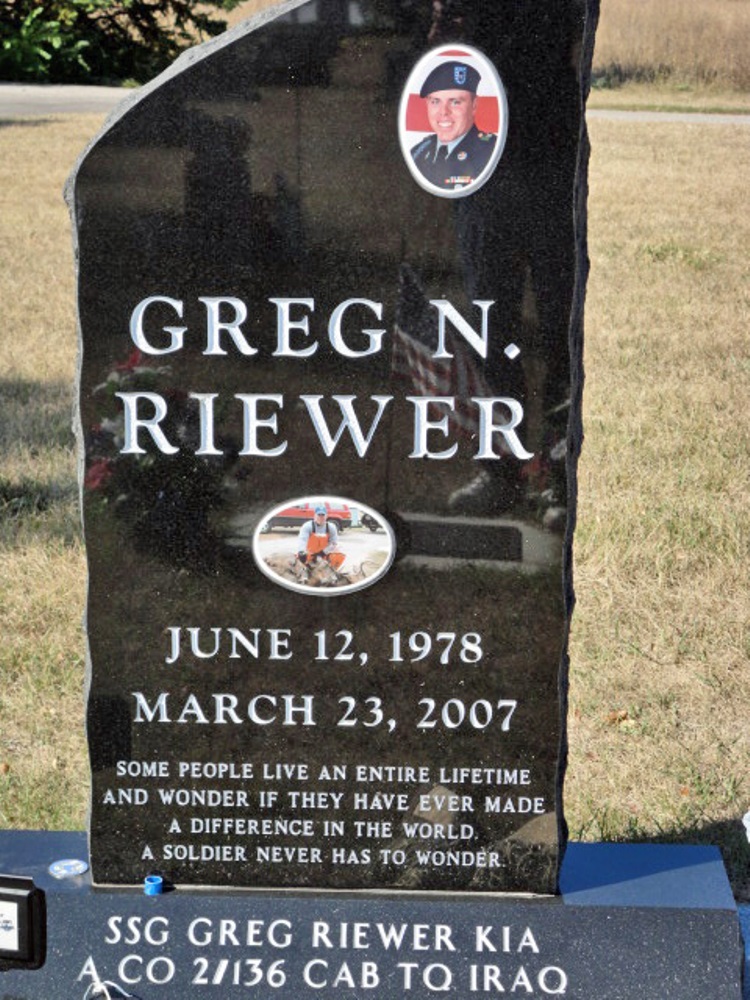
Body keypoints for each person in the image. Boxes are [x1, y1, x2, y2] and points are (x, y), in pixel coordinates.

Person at [410, 60, 497, 192]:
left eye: (455, 102)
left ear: (474, 105)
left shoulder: (491, 151)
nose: (444, 112)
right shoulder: (418, 152)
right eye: (435, 102)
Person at [297, 505, 345, 571]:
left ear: (326, 516)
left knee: (339, 556)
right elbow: (302, 540)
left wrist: (322, 553)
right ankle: (306, 570)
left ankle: (331, 571)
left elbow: (334, 543)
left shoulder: (331, 527)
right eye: (319, 515)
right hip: (310, 554)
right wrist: (301, 552)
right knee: (298, 560)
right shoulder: (307, 526)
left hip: (324, 554)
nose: (321, 517)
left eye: (323, 515)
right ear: (314, 516)